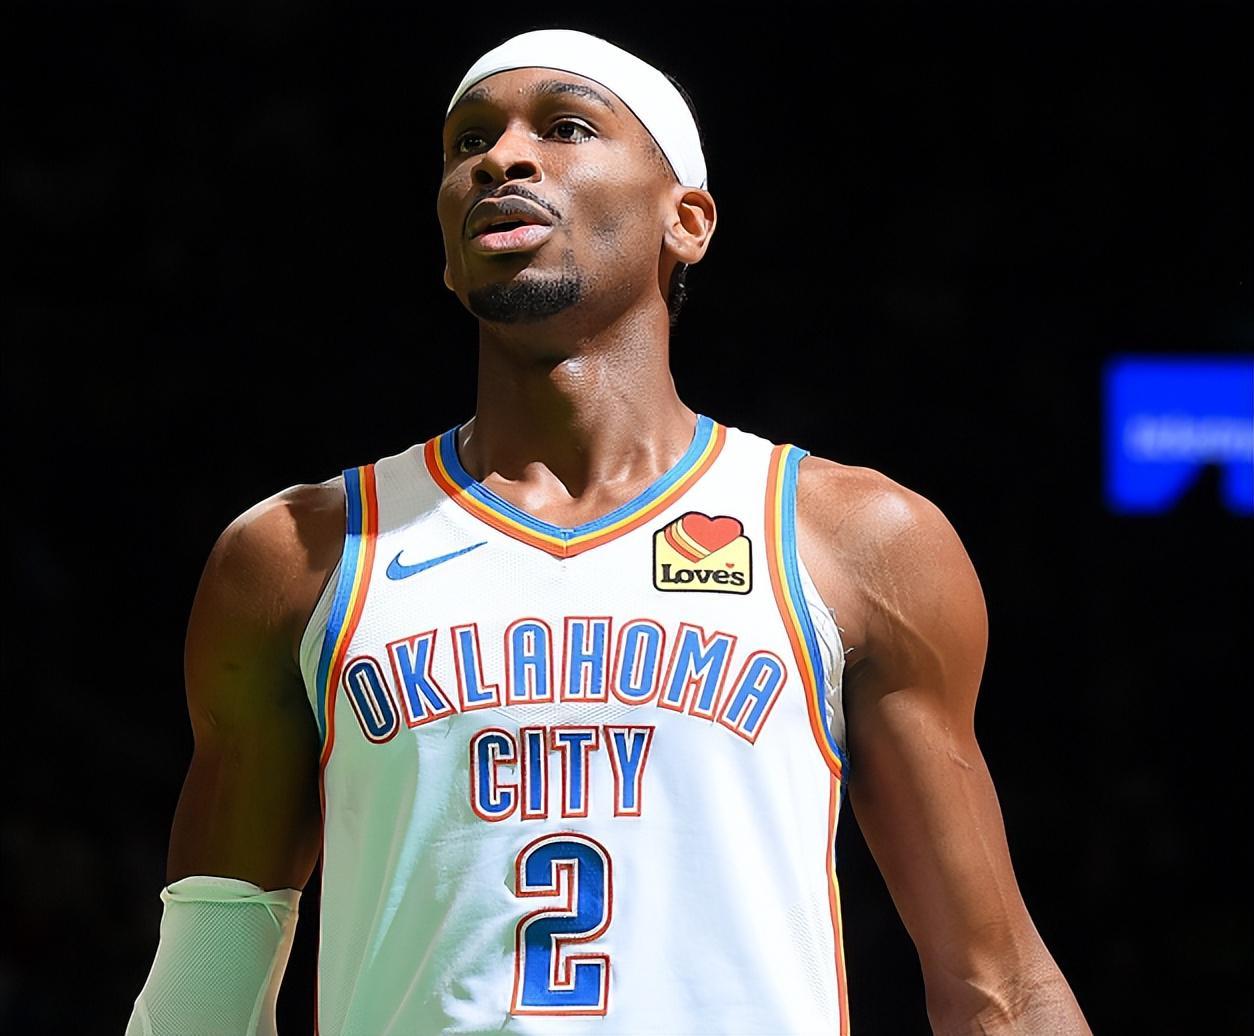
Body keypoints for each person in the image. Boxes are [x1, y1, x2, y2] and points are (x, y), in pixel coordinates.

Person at [127, 27, 1091, 1036]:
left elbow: (995, 985)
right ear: (447, 257)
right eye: (468, 144)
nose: (501, 159)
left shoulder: (854, 540)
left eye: (565, 127)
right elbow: (204, 994)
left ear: (688, 221)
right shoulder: (297, 556)